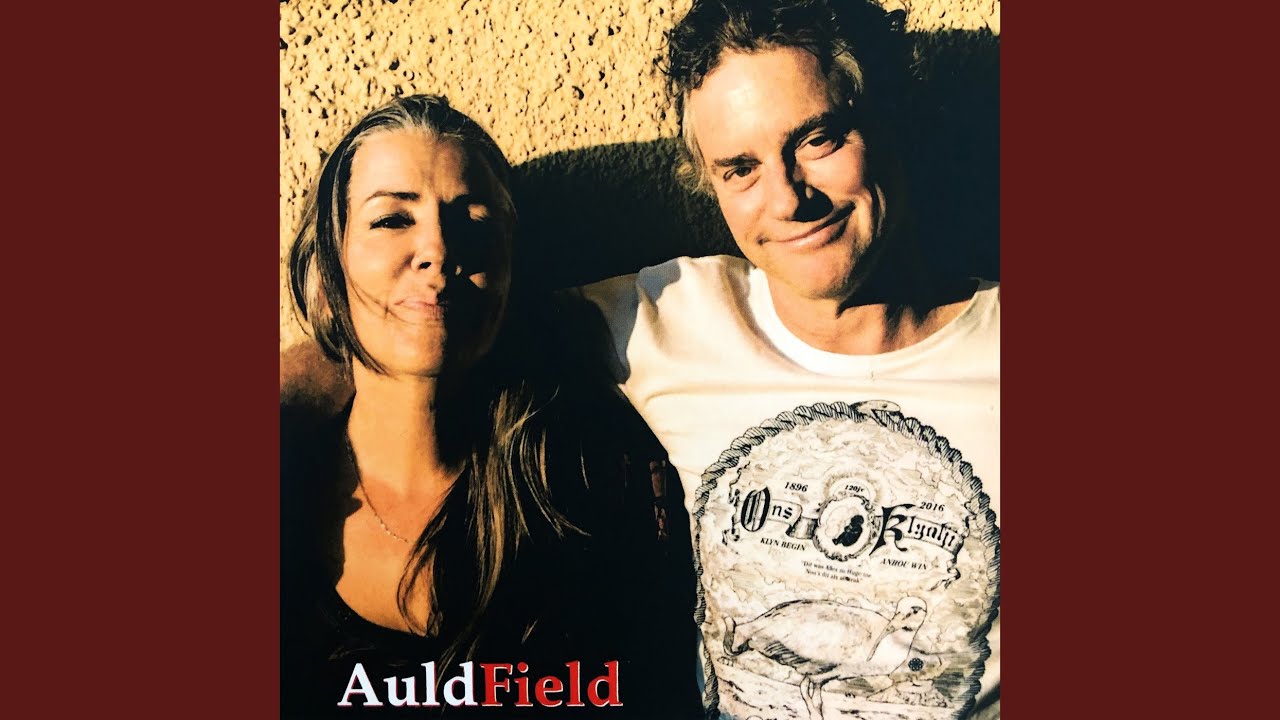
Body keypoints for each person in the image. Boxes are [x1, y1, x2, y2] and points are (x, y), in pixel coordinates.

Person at [574, 1, 1000, 718]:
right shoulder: (666, 319)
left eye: (817, 139)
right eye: (740, 168)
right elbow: (444, 331)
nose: (787, 198)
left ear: (892, 120)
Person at [280, 93, 701, 718]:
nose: (439, 249)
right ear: (326, 269)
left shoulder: (600, 486)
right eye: (392, 219)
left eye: (475, 221)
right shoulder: (284, 499)